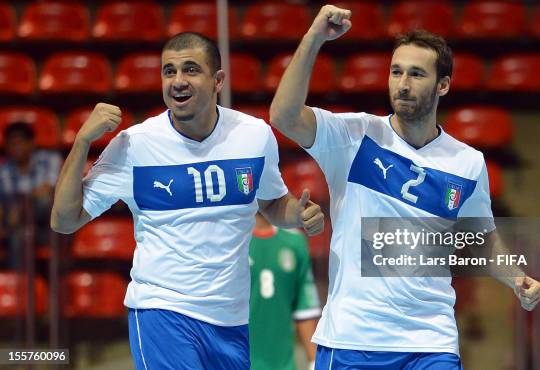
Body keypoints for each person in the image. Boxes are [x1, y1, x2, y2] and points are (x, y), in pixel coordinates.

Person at [269, 5, 540, 369]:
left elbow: (480, 238)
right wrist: (314, 37)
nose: (403, 83)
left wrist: (517, 278)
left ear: (443, 84)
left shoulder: (467, 162)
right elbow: (283, 116)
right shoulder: (354, 136)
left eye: (416, 74)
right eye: (396, 72)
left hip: (430, 341)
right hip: (353, 339)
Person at [50, 32, 324, 370]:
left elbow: (270, 204)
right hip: (161, 312)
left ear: (217, 80)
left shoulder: (254, 135)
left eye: (191, 70)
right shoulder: (135, 145)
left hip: (231, 319)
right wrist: (81, 142)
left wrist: (296, 212)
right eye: (169, 71)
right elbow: (63, 220)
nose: (178, 81)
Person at [249, 212, 320, 370]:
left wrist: (314, 362)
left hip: (283, 365)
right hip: (235, 363)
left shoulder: (295, 242)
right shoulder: (228, 241)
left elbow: (304, 308)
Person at [0, 122, 62, 251]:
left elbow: (49, 189)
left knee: (45, 201)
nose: (15, 147)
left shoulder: (50, 160)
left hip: (48, 225)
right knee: (18, 237)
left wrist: (22, 207)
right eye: (11, 144)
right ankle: (18, 272)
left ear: (32, 143)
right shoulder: (3, 170)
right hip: (18, 227)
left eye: (20, 142)